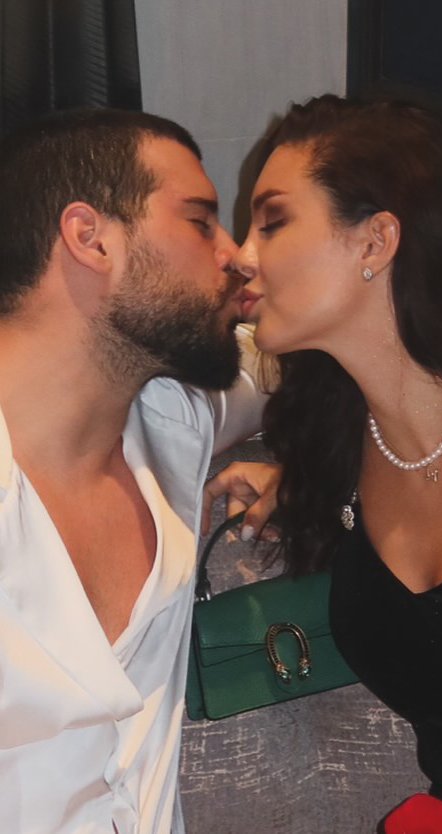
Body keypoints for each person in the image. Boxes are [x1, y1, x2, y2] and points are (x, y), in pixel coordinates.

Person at [203, 94, 442, 830]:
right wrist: (307, 487)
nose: (241, 254)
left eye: (272, 222)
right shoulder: (343, 454)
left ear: (375, 241)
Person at [0, 107, 266, 833]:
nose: (237, 254)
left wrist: (324, 465)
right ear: (90, 238)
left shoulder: (172, 419)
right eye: (200, 221)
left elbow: (290, 356)